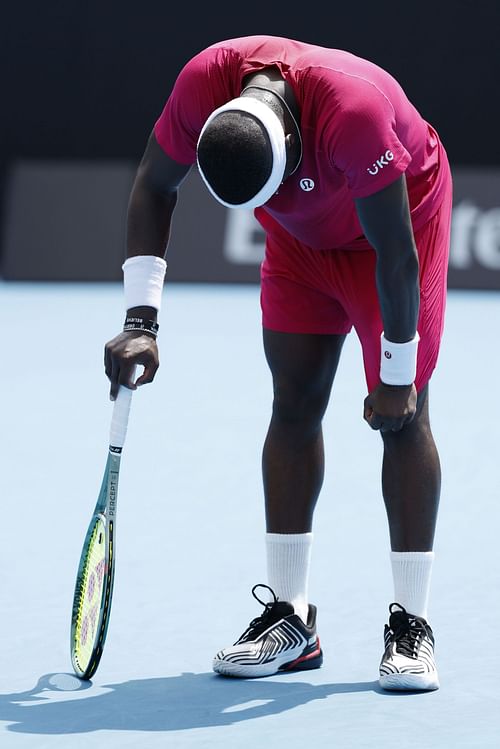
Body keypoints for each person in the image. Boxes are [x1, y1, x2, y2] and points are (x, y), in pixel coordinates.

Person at [104, 35, 453, 691]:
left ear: (293, 146)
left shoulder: (355, 113)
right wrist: (140, 321)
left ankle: (413, 622)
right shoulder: (203, 82)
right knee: (292, 401)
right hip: (300, 241)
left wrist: (397, 377)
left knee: (403, 415)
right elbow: (155, 185)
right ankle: (291, 619)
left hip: (394, 229)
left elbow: (399, 258)